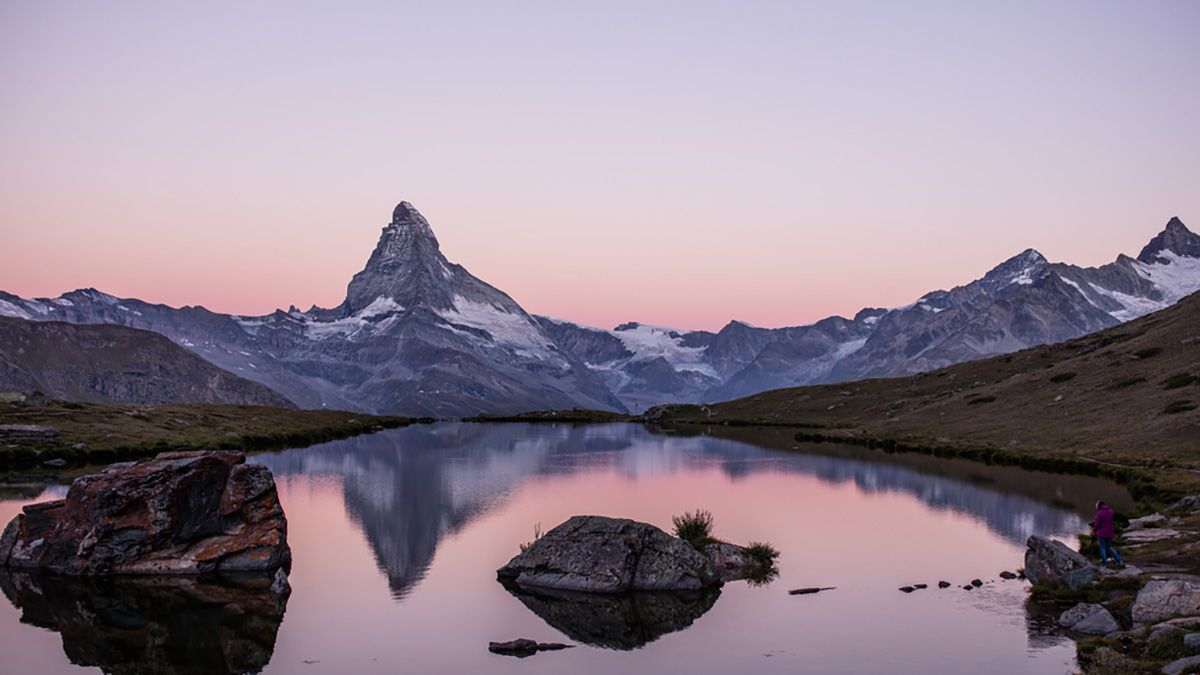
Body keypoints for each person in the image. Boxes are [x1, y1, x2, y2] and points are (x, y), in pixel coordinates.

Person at [1091, 501, 1124, 568]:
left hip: (1102, 533)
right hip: (1110, 532)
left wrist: (1093, 527)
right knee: (1109, 547)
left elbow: (1097, 525)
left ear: (1098, 506)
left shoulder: (1099, 513)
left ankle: (1104, 564)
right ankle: (1119, 561)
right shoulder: (1110, 511)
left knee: (1102, 548)